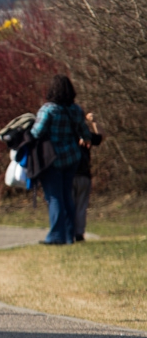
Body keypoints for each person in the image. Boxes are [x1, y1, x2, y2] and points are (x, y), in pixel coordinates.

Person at [30, 75, 92, 245]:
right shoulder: (76, 110)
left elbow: (36, 132)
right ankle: (69, 235)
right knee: (67, 196)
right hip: (72, 157)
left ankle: (56, 236)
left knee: (54, 197)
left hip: (51, 158)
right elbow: (85, 134)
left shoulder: (48, 110)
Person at [73, 112, 103, 242]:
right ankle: (79, 233)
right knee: (81, 207)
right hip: (84, 175)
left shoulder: (65, 135)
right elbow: (100, 137)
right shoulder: (85, 135)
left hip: (69, 175)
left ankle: (69, 232)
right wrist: (94, 122)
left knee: (69, 205)